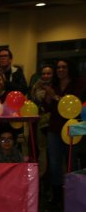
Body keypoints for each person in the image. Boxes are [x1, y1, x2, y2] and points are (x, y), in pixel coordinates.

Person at [42, 59, 85, 204]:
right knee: (54, 162)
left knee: (71, 162)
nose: (60, 70)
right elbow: (47, 108)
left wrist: (54, 96)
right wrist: (47, 98)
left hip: (73, 128)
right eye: (58, 67)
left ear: (70, 68)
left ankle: (72, 192)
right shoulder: (53, 85)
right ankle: (57, 194)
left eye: (64, 67)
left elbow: (75, 106)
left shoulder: (78, 83)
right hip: (54, 127)